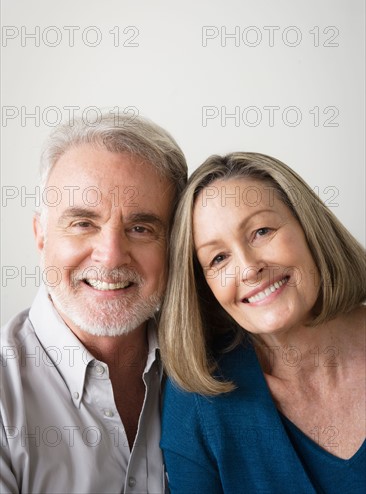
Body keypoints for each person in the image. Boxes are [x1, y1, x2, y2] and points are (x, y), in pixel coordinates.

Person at [0, 112, 187, 493]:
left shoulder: (212, 370)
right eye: (83, 223)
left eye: (140, 228)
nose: (112, 256)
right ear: (41, 236)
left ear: (174, 245)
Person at [159, 152, 366, 494]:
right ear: (205, 287)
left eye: (261, 231)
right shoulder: (198, 406)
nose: (249, 268)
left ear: (308, 228)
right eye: (219, 258)